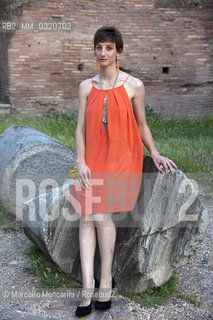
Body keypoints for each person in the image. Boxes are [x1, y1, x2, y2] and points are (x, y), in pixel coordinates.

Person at [70, 26, 178, 317]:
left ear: (118, 51)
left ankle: (105, 281)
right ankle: (87, 287)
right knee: (85, 217)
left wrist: (154, 153)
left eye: (108, 48)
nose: (102, 53)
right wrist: (81, 162)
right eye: (98, 47)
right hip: (91, 158)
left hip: (121, 158)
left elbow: (142, 125)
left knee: (100, 214)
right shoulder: (85, 87)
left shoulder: (134, 86)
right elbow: (79, 129)